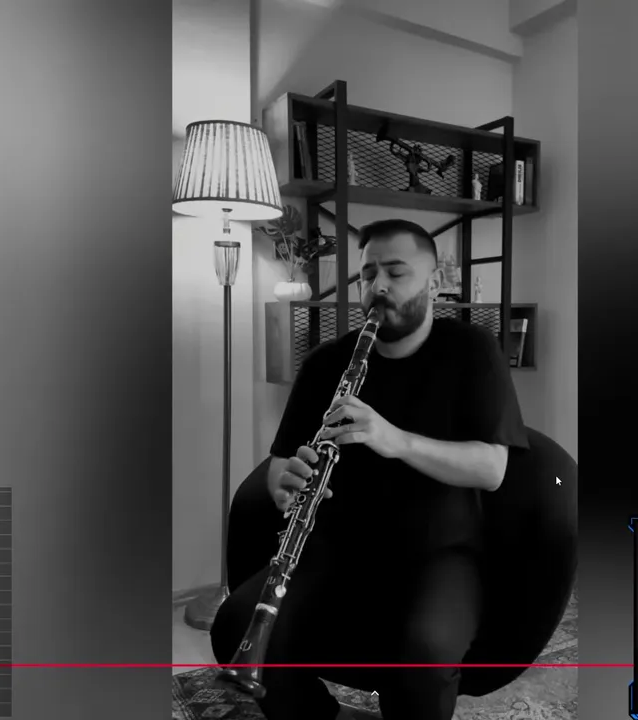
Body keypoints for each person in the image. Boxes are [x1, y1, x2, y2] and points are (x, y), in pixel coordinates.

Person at [211, 218, 527, 720]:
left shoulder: (474, 352)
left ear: (435, 282)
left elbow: (492, 468)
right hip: (333, 547)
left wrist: (394, 439)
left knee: (422, 658)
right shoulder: (325, 364)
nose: (378, 286)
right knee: (234, 626)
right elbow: (281, 463)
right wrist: (285, 484)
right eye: (368, 274)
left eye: (396, 273)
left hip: (437, 551)